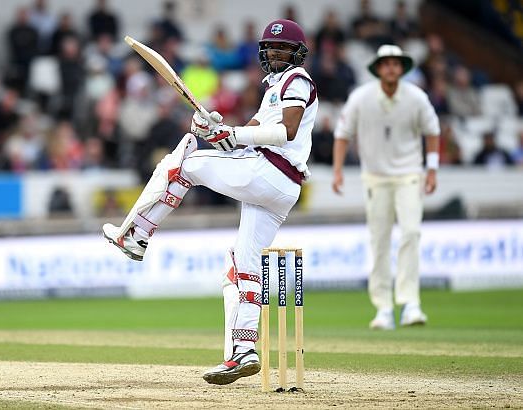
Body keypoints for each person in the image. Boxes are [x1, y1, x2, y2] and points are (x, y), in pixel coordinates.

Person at [102, 19, 317, 385]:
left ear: (297, 53)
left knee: (183, 161)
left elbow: (286, 132)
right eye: (271, 47)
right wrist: (213, 130)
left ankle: (136, 235)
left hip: (270, 172)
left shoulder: (297, 80)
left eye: (283, 48)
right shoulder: (271, 90)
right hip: (276, 186)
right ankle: (243, 351)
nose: (276, 53)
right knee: (241, 269)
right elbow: (246, 136)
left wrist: (228, 134)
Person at [332, 44, 440, 330]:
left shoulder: (416, 97)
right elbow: (343, 134)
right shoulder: (361, 97)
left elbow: (432, 132)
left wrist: (432, 169)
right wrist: (338, 170)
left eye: (396, 63)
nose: (391, 68)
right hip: (375, 177)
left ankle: (410, 304)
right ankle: (383, 309)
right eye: (386, 63)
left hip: (409, 175)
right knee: (379, 240)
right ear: (378, 69)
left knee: (411, 233)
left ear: (402, 68)